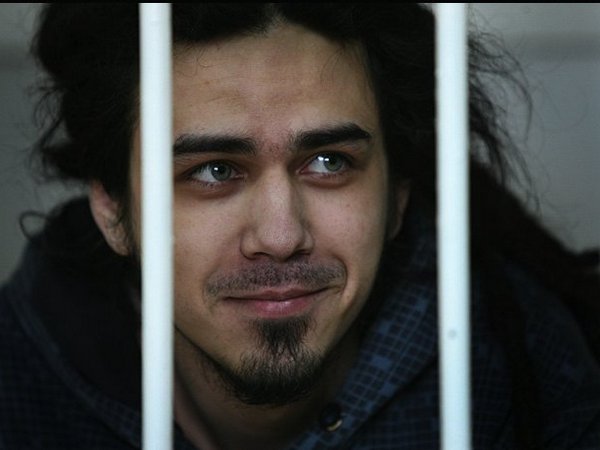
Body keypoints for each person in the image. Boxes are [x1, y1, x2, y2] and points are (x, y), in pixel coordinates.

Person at [1, 3, 599, 449]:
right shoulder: (19, 391)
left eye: (329, 162)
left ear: (398, 195)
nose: (281, 237)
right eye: (213, 170)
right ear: (112, 210)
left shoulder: (524, 378)